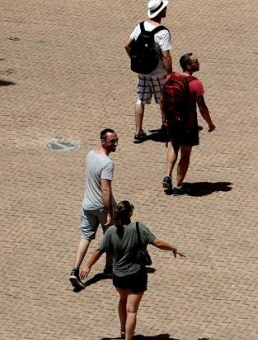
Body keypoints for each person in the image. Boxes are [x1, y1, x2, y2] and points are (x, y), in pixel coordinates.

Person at [80, 201, 185, 340]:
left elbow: (99, 250)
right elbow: (157, 243)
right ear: (130, 213)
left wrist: (87, 265)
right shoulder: (138, 228)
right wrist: (173, 248)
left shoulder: (111, 231)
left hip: (118, 275)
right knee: (132, 310)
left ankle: (123, 330)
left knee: (123, 299)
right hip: (136, 275)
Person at [68, 128, 118, 289]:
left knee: (85, 236)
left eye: (116, 140)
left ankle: (74, 270)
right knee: (110, 236)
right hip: (101, 207)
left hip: (87, 204)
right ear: (103, 141)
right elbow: (105, 189)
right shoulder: (107, 163)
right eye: (112, 141)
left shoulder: (90, 154)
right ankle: (108, 268)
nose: (115, 143)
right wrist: (109, 212)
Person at [162, 52, 216, 195]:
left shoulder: (170, 77)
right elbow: (202, 107)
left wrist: (165, 118)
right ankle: (179, 187)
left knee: (174, 146)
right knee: (185, 155)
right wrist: (210, 123)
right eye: (196, 61)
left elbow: (163, 99)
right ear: (189, 65)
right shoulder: (195, 83)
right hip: (188, 124)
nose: (198, 62)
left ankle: (167, 175)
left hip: (173, 121)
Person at [124, 0, 172, 143]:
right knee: (163, 98)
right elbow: (166, 55)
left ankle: (138, 132)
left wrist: (135, 60)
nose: (166, 10)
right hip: (158, 72)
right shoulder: (162, 32)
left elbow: (127, 45)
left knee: (140, 99)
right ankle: (165, 127)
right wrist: (170, 73)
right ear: (160, 11)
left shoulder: (140, 26)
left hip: (142, 71)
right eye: (164, 8)